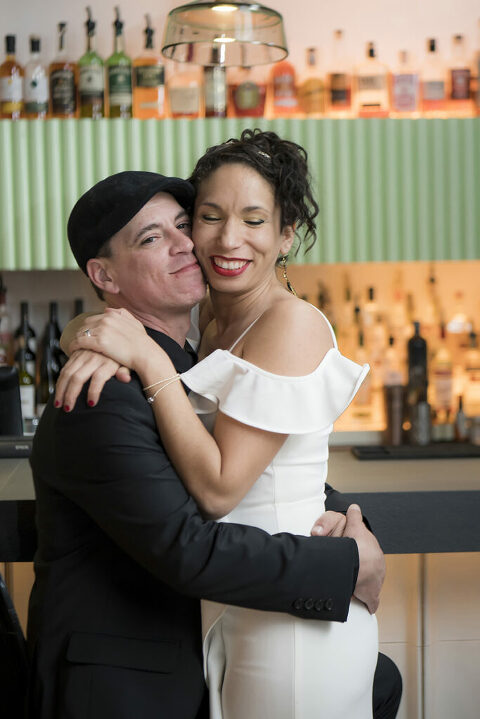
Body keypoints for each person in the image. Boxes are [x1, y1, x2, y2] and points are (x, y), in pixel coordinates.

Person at [51, 130, 395, 718]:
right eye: (206, 217)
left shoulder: (280, 324)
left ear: (287, 235)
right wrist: (89, 330)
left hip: (289, 620)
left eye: (254, 220)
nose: (212, 241)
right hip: (227, 620)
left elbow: (228, 485)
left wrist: (139, 350)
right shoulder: (206, 326)